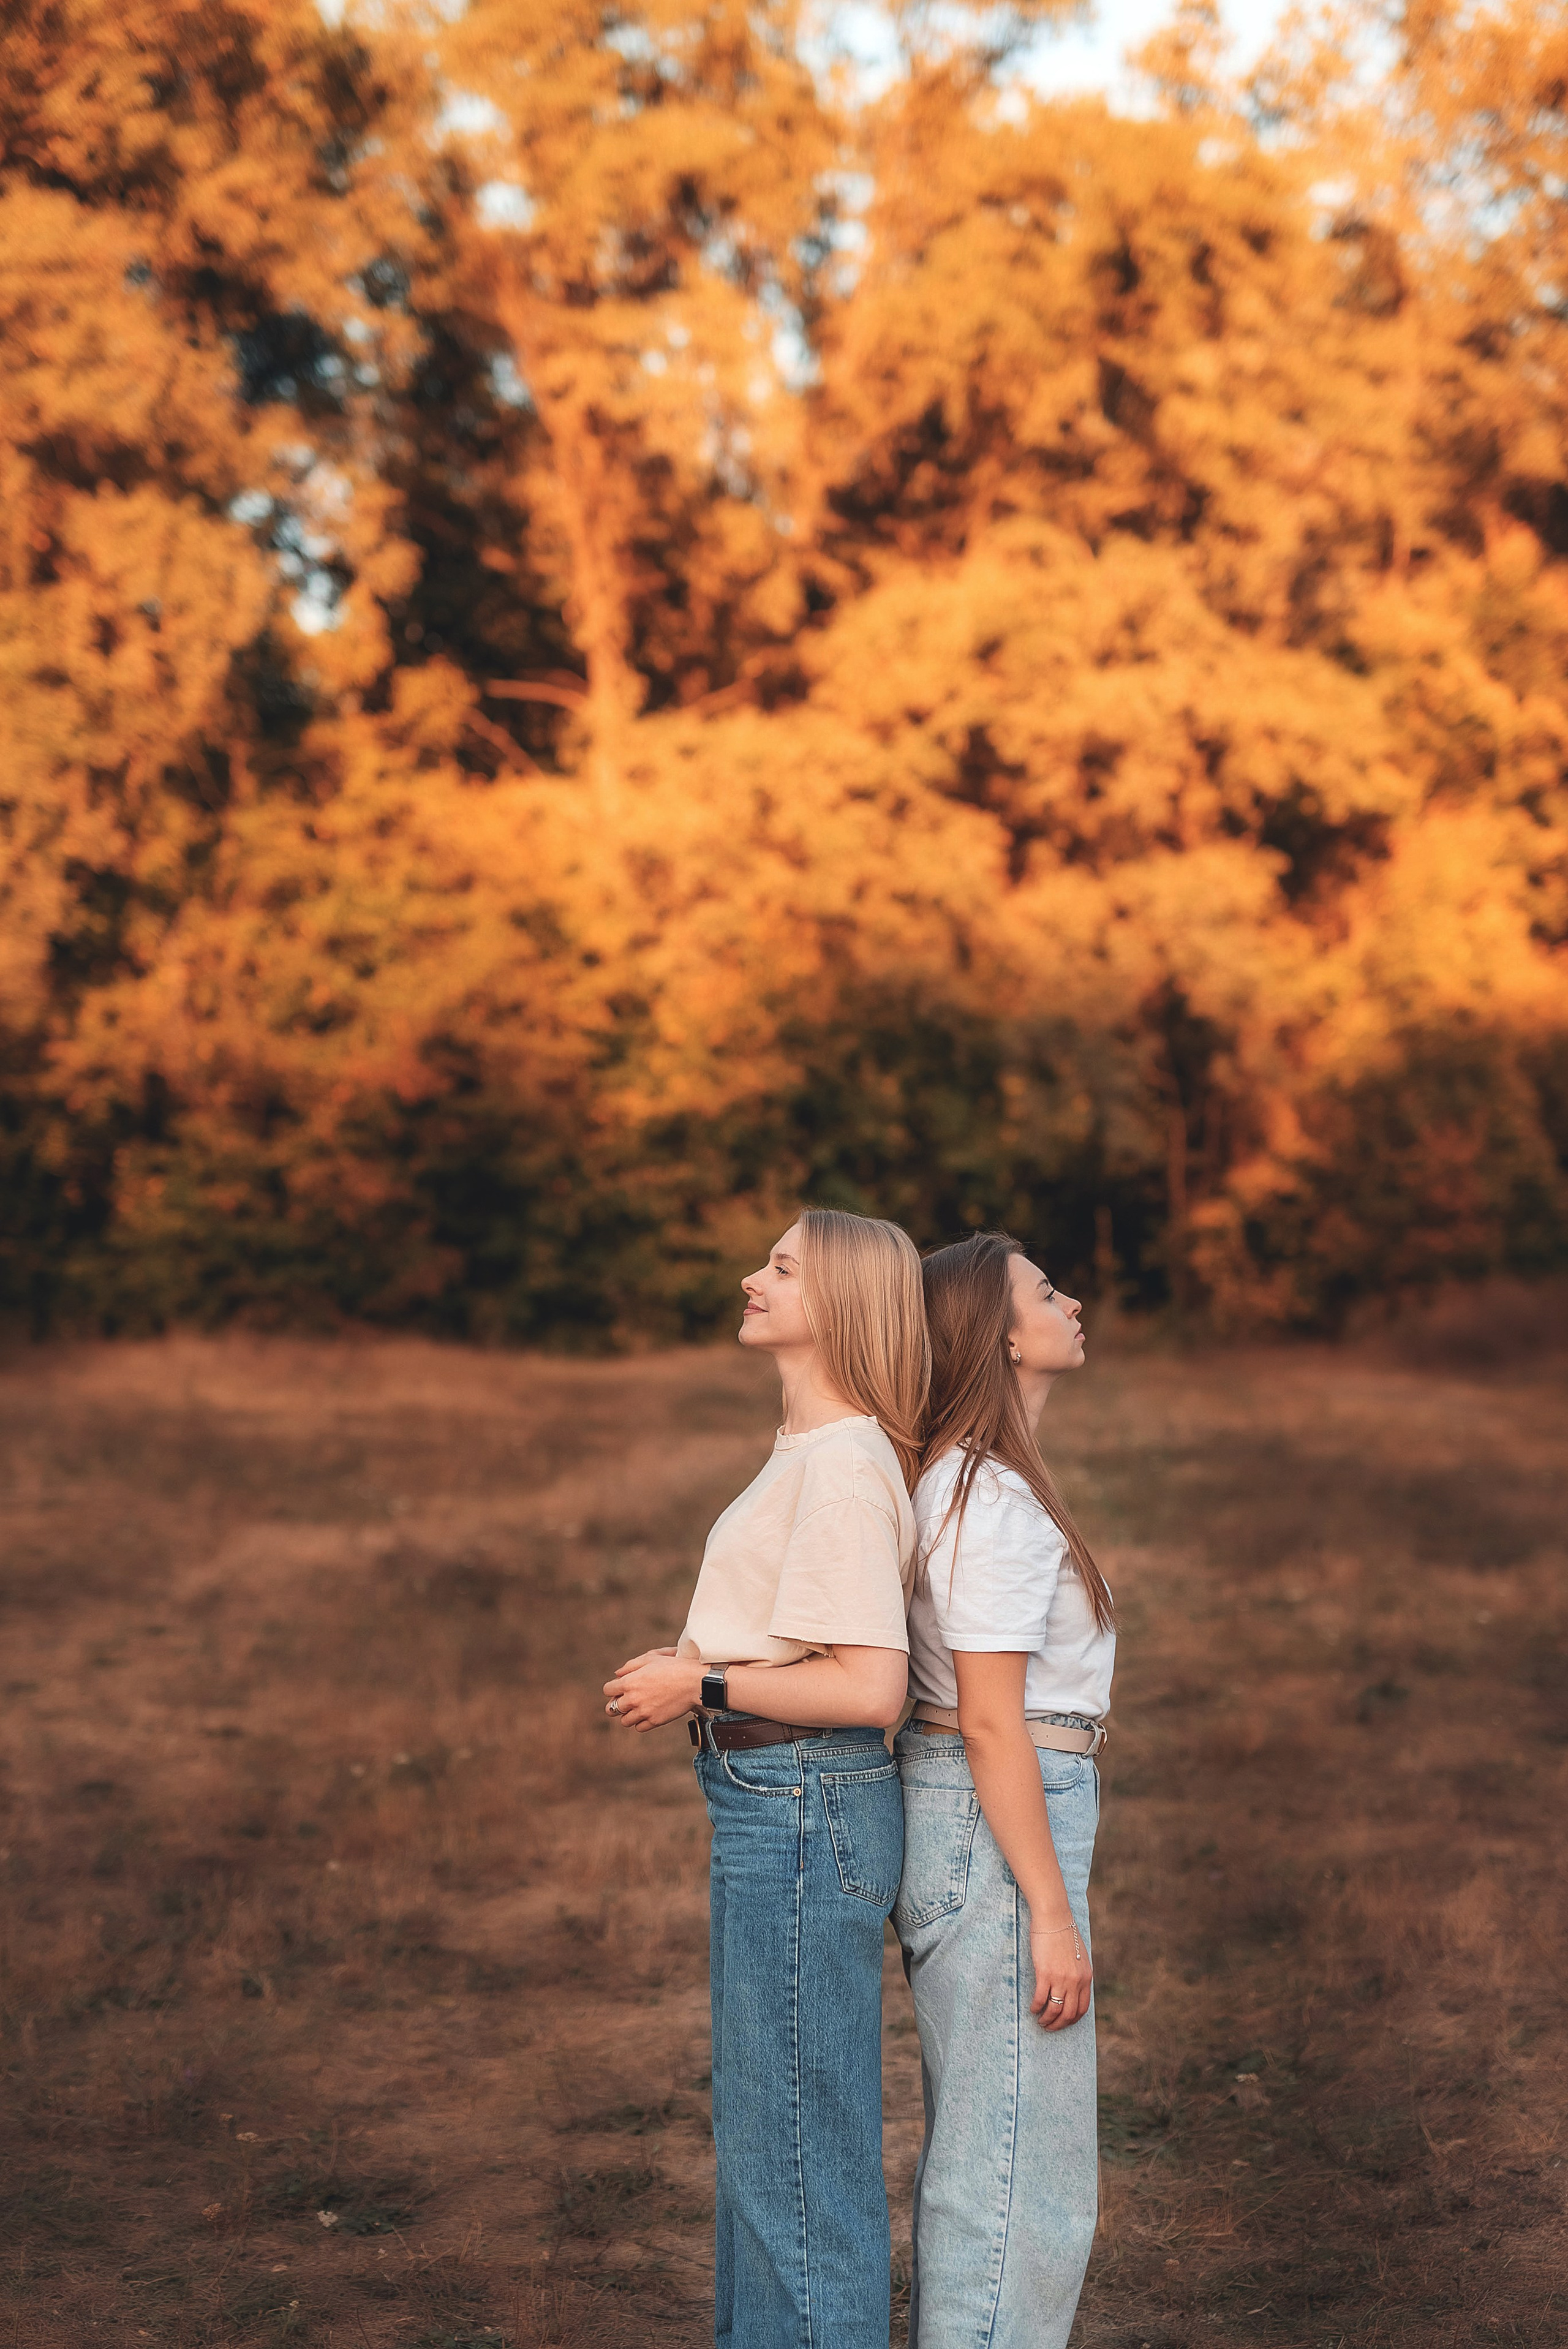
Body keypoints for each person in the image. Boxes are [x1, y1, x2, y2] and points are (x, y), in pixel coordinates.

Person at [603, 1207, 930, 2349]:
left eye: (781, 1268)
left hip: (803, 1802)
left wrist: (706, 1689)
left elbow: (869, 1689)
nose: (753, 1277)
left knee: (795, 2144)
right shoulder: (814, 1449)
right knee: (768, 2136)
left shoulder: (843, 1463)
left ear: (836, 1303)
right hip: (777, 1805)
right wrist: (707, 1665)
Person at [894, 1230, 1117, 2349]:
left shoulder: (986, 1482)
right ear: (999, 1336)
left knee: (999, 2153)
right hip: (996, 1825)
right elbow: (988, 1721)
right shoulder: (986, 1496)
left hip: (988, 1814)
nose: (1070, 1301)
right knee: (1019, 2179)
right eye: (1044, 1290)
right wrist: (1050, 1907)